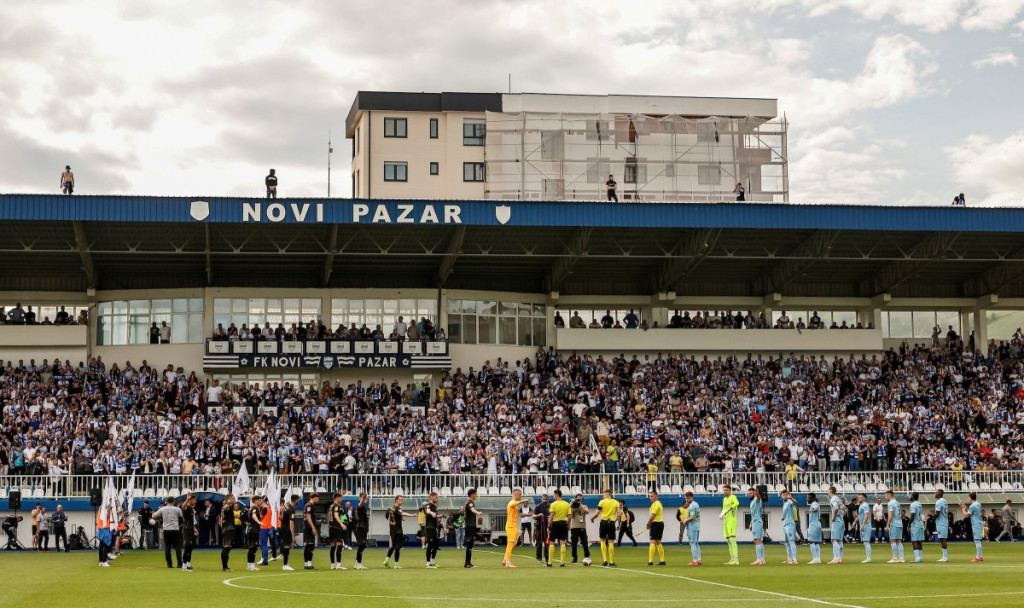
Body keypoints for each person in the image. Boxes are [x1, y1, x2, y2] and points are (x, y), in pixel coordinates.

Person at [383, 495, 416, 569]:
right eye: (401, 500)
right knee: (397, 547)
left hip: (392, 530)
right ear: (396, 500)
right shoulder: (397, 508)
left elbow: (387, 517)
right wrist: (412, 515)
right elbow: (402, 513)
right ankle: (396, 564)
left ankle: (386, 560)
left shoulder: (390, 509)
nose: (402, 501)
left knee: (393, 546)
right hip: (398, 530)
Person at [590, 489, 621, 567]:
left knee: (602, 540)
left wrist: (592, 518)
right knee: (611, 541)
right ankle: (611, 561)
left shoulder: (602, 502)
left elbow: (597, 513)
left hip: (603, 522)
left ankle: (604, 560)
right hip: (611, 522)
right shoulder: (616, 502)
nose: (603, 496)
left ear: (607, 494)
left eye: (603, 494)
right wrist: (619, 524)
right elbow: (619, 514)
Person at [503, 489, 531, 568]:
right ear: (515, 494)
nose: (521, 496)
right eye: (520, 494)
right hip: (510, 526)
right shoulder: (512, 502)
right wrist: (521, 501)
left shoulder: (515, 505)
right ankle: (508, 562)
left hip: (513, 526)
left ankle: (505, 560)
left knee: (514, 543)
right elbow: (512, 503)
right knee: (510, 543)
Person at [154, 496, 183, 569]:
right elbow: (182, 516)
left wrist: (156, 512)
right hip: (175, 529)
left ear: (167, 501)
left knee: (167, 547)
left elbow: (154, 516)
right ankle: (179, 564)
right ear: (173, 501)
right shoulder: (177, 509)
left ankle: (169, 564)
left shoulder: (162, 509)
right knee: (177, 547)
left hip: (166, 529)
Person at [547, 490, 571, 567]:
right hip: (563, 523)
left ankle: (550, 562)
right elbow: (570, 516)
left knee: (552, 541)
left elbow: (551, 516)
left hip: (555, 523)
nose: (553, 496)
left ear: (556, 495)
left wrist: (549, 526)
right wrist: (567, 523)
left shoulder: (553, 504)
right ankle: (562, 562)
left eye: (553, 495)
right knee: (562, 541)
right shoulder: (567, 504)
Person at [220, 494, 242, 572]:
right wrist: (228, 504)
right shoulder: (227, 507)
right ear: (229, 499)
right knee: (226, 547)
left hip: (229, 529)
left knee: (227, 548)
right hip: (228, 529)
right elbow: (224, 509)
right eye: (233, 498)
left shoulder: (230, 508)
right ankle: (224, 567)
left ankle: (225, 567)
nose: (234, 499)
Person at [643, 490, 666, 566]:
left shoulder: (656, 504)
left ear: (656, 496)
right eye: (650, 496)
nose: (651, 498)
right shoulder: (656, 504)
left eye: (652, 496)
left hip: (656, 524)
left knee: (652, 541)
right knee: (658, 542)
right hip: (659, 523)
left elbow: (652, 516)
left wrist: (648, 524)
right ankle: (662, 560)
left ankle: (650, 561)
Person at [720, 484, 740, 565]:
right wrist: (721, 513)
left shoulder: (733, 497)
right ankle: (732, 559)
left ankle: (736, 560)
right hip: (726, 521)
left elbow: (737, 503)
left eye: (727, 490)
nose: (725, 491)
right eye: (724, 490)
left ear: (730, 490)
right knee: (728, 541)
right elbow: (723, 508)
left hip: (732, 520)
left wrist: (729, 509)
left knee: (732, 540)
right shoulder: (724, 499)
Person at [568, 493, 591, 564]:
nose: (579, 500)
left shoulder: (584, 506)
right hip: (574, 527)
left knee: (584, 542)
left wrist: (581, 506)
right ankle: (574, 557)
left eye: (580, 499)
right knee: (574, 543)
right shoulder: (572, 507)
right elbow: (571, 516)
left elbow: (587, 512)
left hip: (582, 527)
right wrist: (571, 506)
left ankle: (587, 556)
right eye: (578, 499)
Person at [962, 493, 984, 562]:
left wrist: (963, 509)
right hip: (979, 523)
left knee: (977, 540)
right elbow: (972, 513)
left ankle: (978, 557)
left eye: (969, 497)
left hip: (976, 524)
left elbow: (967, 515)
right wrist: (966, 509)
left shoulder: (972, 506)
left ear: (971, 498)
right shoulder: (978, 504)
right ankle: (980, 556)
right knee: (978, 540)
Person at [328, 493, 348, 570]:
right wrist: (342, 524)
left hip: (331, 527)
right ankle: (339, 565)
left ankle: (332, 564)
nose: (341, 500)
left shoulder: (331, 506)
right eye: (340, 498)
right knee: (339, 545)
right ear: (337, 498)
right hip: (336, 528)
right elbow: (336, 515)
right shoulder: (336, 506)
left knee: (332, 546)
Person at [463, 488, 481, 568]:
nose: (476, 495)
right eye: (476, 494)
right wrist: (477, 512)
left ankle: (468, 563)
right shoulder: (470, 502)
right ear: (472, 494)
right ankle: (467, 564)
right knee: (469, 544)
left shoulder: (468, 502)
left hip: (471, 525)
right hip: (470, 526)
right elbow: (472, 509)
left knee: (470, 545)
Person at [278, 494, 297, 571]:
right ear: (295, 500)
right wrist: (293, 535)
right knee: (287, 546)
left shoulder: (286, 505)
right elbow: (291, 523)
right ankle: (285, 565)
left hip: (283, 528)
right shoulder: (291, 510)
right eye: (298, 500)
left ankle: (285, 564)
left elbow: (281, 516)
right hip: (287, 530)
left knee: (286, 546)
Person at [747, 486, 765, 565]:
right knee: (759, 540)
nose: (749, 494)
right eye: (749, 493)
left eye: (751, 493)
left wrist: (757, 494)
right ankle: (762, 559)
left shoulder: (757, 499)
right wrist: (751, 523)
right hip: (755, 521)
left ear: (754, 492)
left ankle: (759, 559)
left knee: (757, 540)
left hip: (757, 521)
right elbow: (752, 514)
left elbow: (758, 498)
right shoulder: (753, 501)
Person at [422, 491, 441, 569]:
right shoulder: (429, 505)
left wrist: (438, 516)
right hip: (429, 528)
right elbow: (427, 511)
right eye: (435, 497)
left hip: (434, 528)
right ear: (431, 497)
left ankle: (433, 562)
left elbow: (434, 516)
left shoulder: (433, 506)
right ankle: (428, 563)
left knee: (435, 545)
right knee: (430, 545)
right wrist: (431, 513)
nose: (437, 498)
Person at [682, 491, 701, 566]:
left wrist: (685, 520)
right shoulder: (696, 504)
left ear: (692, 497)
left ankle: (695, 561)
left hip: (692, 526)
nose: (687, 500)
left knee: (692, 543)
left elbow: (692, 517)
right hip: (697, 525)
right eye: (686, 498)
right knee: (696, 543)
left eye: (688, 498)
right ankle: (699, 559)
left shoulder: (692, 506)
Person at [245, 496, 264, 571]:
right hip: (254, 530)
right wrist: (259, 522)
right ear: (255, 501)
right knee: (254, 547)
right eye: (259, 500)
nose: (261, 502)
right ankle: (252, 566)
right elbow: (253, 515)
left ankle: (249, 565)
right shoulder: (254, 508)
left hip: (251, 530)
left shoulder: (252, 508)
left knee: (251, 548)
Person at [885, 490, 904, 563]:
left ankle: (895, 558)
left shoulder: (890, 503)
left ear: (889, 495)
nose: (885, 497)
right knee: (898, 541)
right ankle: (901, 558)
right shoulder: (897, 502)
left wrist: (887, 524)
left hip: (894, 523)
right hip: (900, 523)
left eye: (885, 495)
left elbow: (891, 514)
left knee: (893, 540)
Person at [181, 493, 198, 571]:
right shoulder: (186, 507)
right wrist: (187, 499)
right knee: (187, 547)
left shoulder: (191, 509)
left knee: (190, 547)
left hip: (191, 529)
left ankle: (188, 564)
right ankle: (184, 565)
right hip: (187, 529)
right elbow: (183, 507)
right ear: (190, 500)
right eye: (194, 500)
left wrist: (194, 528)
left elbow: (191, 520)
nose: (195, 501)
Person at [531, 493, 550, 564]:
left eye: (546, 499)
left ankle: (547, 558)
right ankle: (539, 557)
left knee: (547, 542)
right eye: (544, 499)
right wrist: (538, 515)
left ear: (548, 499)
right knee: (539, 542)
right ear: (541, 499)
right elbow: (533, 516)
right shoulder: (538, 506)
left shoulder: (549, 506)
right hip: (539, 526)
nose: (545, 500)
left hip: (547, 527)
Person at [827, 486, 844, 564]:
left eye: (828, 491)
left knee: (834, 539)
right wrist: (841, 515)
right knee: (839, 540)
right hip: (841, 521)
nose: (827, 493)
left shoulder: (833, 499)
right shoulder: (838, 498)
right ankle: (839, 558)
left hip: (836, 521)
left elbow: (836, 508)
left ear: (830, 491)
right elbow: (845, 508)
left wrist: (834, 517)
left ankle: (835, 558)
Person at [302, 493, 319, 570]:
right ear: (314, 497)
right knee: (311, 546)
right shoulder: (309, 505)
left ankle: (306, 564)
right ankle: (309, 564)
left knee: (307, 546)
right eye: (317, 498)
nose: (318, 499)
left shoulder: (307, 505)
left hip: (306, 527)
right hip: (309, 528)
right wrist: (313, 527)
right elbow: (308, 517)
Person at [352, 492, 369, 569]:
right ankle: (359, 563)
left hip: (363, 527)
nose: (366, 499)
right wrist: (363, 498)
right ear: (360, 498)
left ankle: (357, 563)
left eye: (366, 498)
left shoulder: (363, 507)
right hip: (360, 528)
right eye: (364, 498)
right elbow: (360, 504)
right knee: (361, 545)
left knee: (363, 545)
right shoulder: (359, 506)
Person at [781, 490, 798, 565]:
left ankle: (794, 559)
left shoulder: (789, 501)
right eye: (783, 495)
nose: (784, 496)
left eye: (785, 495)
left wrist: (791, 498)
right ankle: (789, 559)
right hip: (785, 524)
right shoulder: (784, 503)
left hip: (790, 524)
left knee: (791, 541)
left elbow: (795, 502)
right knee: (787, 542)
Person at [806, 492, 823, 564]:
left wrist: (811, 510)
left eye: (808, 497)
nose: (807, 499)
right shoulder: (816, 503)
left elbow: (816, 509)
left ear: (812, 498)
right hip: (818, 524)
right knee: (816, 542)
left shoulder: (814, 503)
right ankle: (818, 559)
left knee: (811, 541)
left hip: (813, 525)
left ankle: (815, 558)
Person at [934, 489, 949, 562]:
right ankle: (944, 557)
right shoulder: (945, 501)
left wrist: (932, 515)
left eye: (936, 492)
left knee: (942, 539)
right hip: (944, 521)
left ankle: (945, 557)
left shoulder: (939, 502)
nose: (935, 494)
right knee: (943, 539)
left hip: (941, 522)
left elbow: (937, 514)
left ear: (939, 494)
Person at [909, 492, 925, 563]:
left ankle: (917, 558)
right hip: (920, 523)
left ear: (913, 496)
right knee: (919, 541)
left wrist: (909, 524)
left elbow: (912, 515)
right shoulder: (919, 504)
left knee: (914, 541)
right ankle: (920, 557)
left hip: (915, 524)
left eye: (911, 495)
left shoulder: (913, 504)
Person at [857, 493, 872, 563]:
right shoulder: (861, 505)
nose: (858, 498)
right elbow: (860, 515)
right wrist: (855, 522)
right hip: (863, 525)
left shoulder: (865, 505)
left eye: (860, 497)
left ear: (864, 498)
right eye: (858, 497)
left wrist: (863, 524)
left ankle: (868, 558)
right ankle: (868, 557)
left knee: (866, 541)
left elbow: (867, 514)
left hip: (866, 525)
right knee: (865, 542)